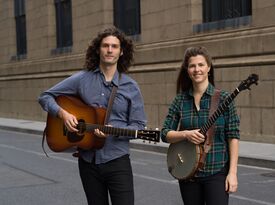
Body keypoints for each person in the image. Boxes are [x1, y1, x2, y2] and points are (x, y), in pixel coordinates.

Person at [38, 27, 146, 205]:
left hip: (117, 161)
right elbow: (45, 97)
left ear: (121, 52)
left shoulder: (131, 87)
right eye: (105, 46)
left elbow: (139, 125)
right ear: (98, 49)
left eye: (114, 46)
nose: (109, 50)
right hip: (88, 162)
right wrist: (63, 114)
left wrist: (114, 131)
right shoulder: (82, 79)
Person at [161, 46, 240, 205]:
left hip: (216, 170)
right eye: (192, 66)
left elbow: (233, 137)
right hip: (188, 171)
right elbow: (165, 133)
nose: (197, 69)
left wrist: (232, 173)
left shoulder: (224, 98)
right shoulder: (180, 100)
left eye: (201, 65)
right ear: (187, 70)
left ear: (209, 68)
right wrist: (185, 134)